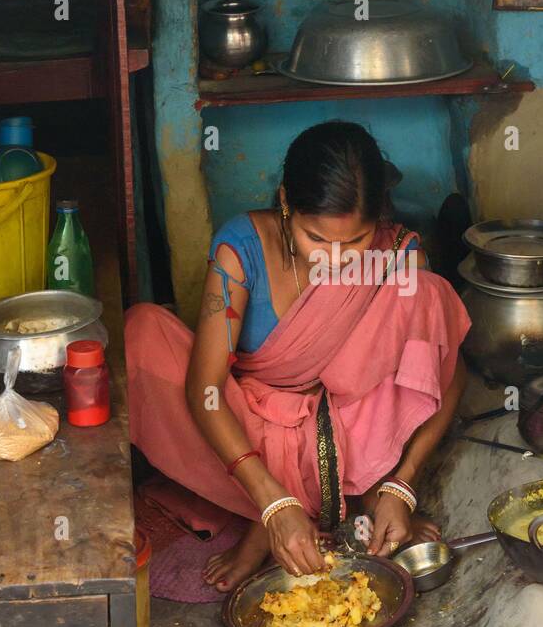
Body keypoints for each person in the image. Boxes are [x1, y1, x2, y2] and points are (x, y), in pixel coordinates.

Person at [125, 120, 469, 591]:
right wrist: (273, 503)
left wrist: (403, 483)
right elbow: (205, 389)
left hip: (350, 435)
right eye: (315, 238)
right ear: (286, 203)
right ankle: (276, 512)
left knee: (428, 294)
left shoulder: (396, 258)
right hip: (252, 426)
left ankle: (371, 493)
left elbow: (450, 374)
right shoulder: (241, 248)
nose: (334, 258)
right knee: (143, 333)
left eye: (354, 242)